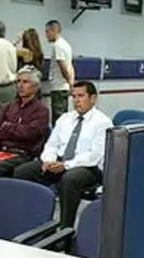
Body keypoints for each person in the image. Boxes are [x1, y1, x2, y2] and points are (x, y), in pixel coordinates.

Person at [14, 81, 112, 228]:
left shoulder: (103, 122)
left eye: (81, 96)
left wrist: (66, 165)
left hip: (87, 167)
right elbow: (51, 145)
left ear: (93, 98)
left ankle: (65, 229)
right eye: (73, 96)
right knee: (22, 171)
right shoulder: (65, 119)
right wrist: (49, 160)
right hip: (59, 162)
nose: (76, 100)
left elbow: (94, 155)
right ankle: (30, 221)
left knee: (70, 179)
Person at [45, 20, 75, 124]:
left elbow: (63, 66)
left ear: (54, 30)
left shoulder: (57, 45)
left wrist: (69, 81)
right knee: (63, 117)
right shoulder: (66, 45)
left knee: (58, 120)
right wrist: (71, 82)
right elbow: (70, 66)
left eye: (47, 31)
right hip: (63, 87)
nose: (46, 35)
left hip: (58, 87)